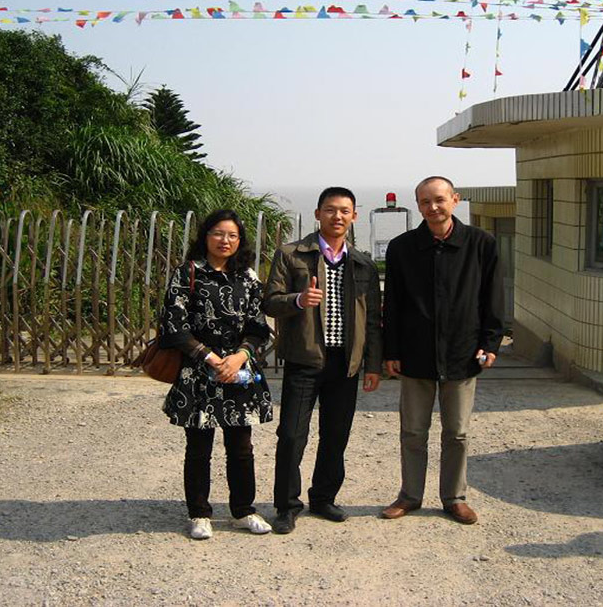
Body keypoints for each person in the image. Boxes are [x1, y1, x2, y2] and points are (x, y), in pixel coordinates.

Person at [380, 176, 505, 525]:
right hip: (415, 353)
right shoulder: (402, 248)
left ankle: (454, 497)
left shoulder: (481, 243)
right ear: (418, 205)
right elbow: (393, 303)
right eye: (425, 201)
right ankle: (410, 495)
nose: (433, 207)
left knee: (457, 432)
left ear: (455, 199)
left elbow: (493, 297)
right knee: (413, 431)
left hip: (462, 352)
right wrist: (391, 350)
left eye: (439, 199)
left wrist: (490, 342)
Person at [264, 187, 382, 535]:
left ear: (354, 216)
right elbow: (270, 302)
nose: (337, 216)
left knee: (336, 435)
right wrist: (299, 300)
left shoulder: (362, 263)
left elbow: (373, 320)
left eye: (345, 211)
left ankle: (323, 498)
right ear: (318, 214)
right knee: (291, 436)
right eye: (330, 210)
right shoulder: (291, 255)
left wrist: (373, 365)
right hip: (304, 360)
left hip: (345, 363)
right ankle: (287, 506)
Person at [159, 209, 274, 540]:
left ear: (240, 241)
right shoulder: (187, 273)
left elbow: (258, 327)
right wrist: (210, 358)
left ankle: (243, 510)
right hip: (198, 371)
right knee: (198, 448)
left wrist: (239, 357)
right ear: (205, 236)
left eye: (232, 235)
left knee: (242, 447)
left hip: (237, 372)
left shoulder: (247, 277)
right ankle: (199, 513)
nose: (225, 240)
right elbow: (173, 326)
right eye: (218, 233)